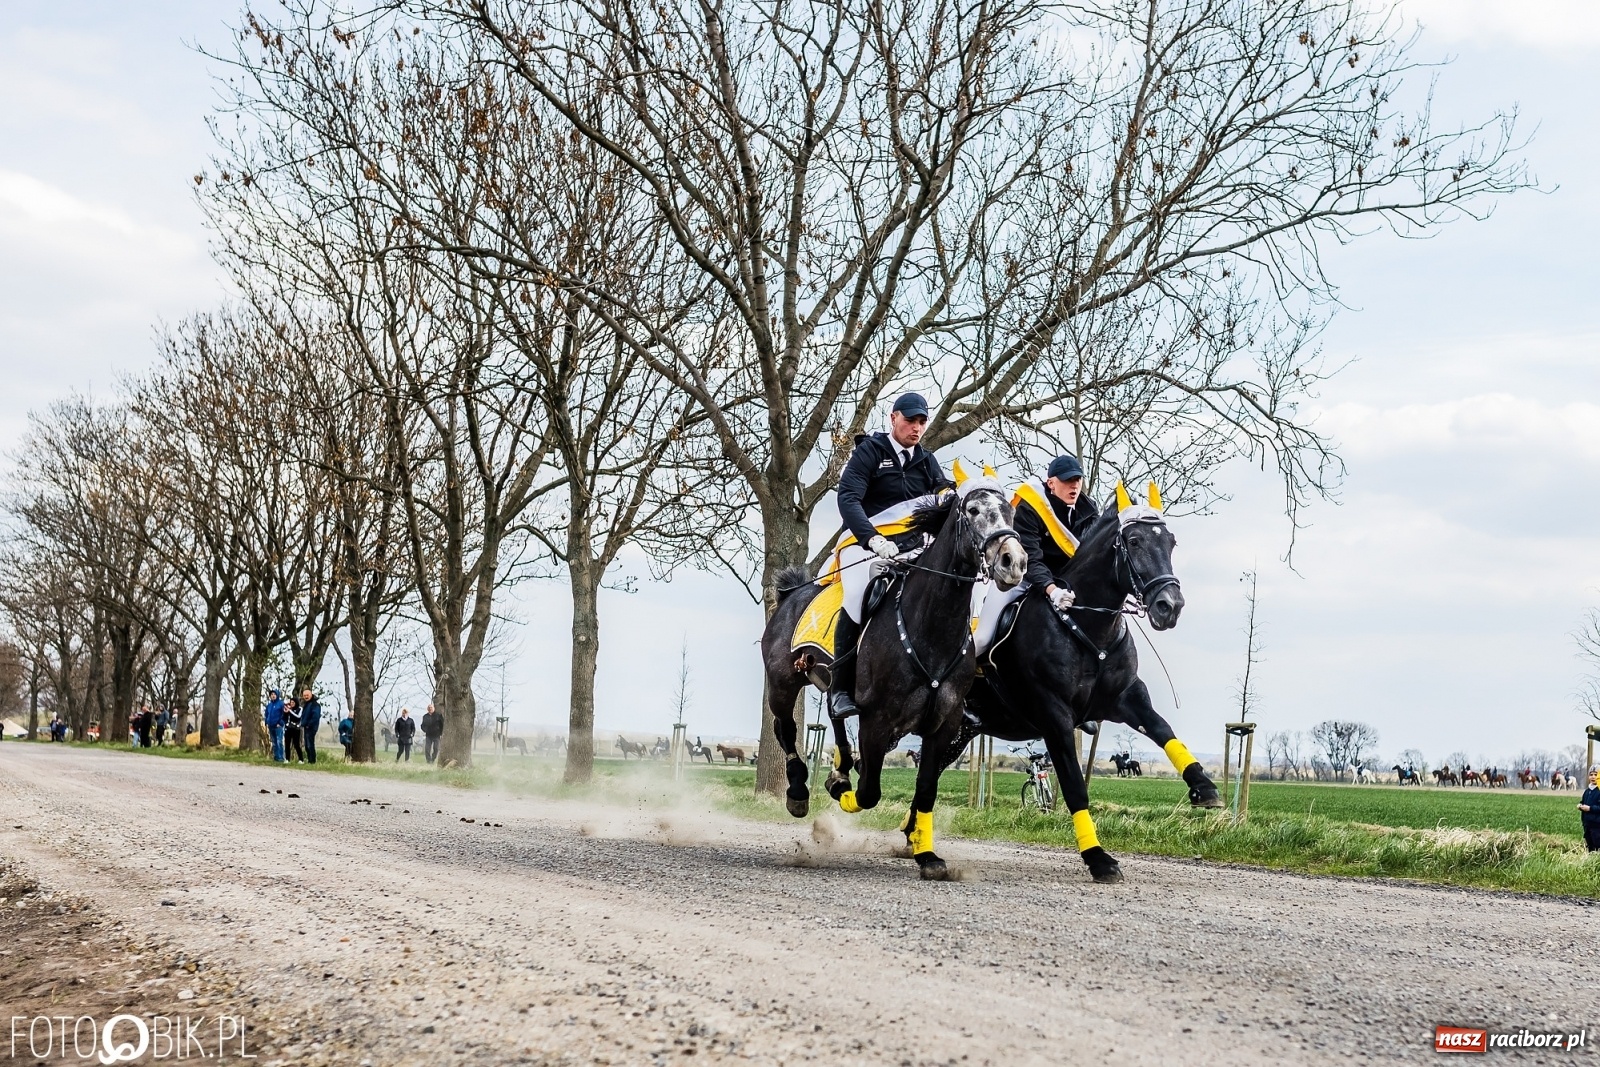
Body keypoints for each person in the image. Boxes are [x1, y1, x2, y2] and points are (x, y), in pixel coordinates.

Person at [826, 392, 950, 720]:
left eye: (922, 421)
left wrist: (948, 493)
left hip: (912, 548)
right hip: (864, 543)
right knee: (856, 594)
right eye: (910, 420)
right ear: (893, 418)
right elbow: (849, 498)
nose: (917, 427)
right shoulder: (870, 452)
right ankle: (839, 687)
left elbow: (939, 489)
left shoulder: (927, 459)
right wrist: (873, 539)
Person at [974, 453, 1100, 655]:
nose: (1074, 486)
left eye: (1077, 479)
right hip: (1020, 579)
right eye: (1068, 480)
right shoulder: (1030, 507)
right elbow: (1030, 558)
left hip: (1066, 583)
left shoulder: (1089, 509)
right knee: (981, 640)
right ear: (1051, 483)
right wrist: (1052, 590)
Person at [301, 689, 323, 765]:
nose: (306, 697)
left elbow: (316, 716)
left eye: (307, 695)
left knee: (310, 744)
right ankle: (310, 760)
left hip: (311, 727)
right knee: (307, 745)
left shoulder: (315, 705)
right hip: (306, 726)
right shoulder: (306, 704)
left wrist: (309, 724)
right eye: (304, 696)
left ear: (311, 695)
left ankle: (312, 761)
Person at [1580, 770, 1600, 852]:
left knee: (1597, 847)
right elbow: (1583, 801)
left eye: (1596, 775)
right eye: (1591, 774)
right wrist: (1580, 805)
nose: (1593, 777)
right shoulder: (1587, 791)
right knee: (1590, 847)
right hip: (1587, 824)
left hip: (1597, 825)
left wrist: (1590, 808)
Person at [264, 690, 286, 762]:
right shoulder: (269, 705)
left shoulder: (281, 704)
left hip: (278, 726)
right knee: (274, 742)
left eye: (274, 694)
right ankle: (276, 757)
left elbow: (284, 715)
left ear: (277, 695)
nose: (273, 695)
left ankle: (281, 757)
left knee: (279, 741)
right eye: (271, 694)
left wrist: (281, 723)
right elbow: (267, 714)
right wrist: (266, 722)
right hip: (271, 725)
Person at [283, 696, 306, 763]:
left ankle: (301, 759)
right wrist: (286, 712)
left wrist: (290, 711)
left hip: (296, 729)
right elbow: (285, 717)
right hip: (289, 728)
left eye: (293, 702)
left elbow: (298, 717)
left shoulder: (300, 709)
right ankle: (287, 759)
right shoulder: (289, 709)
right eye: (291, 702)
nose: (292, 704)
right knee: (287, 744)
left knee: (296, 744)